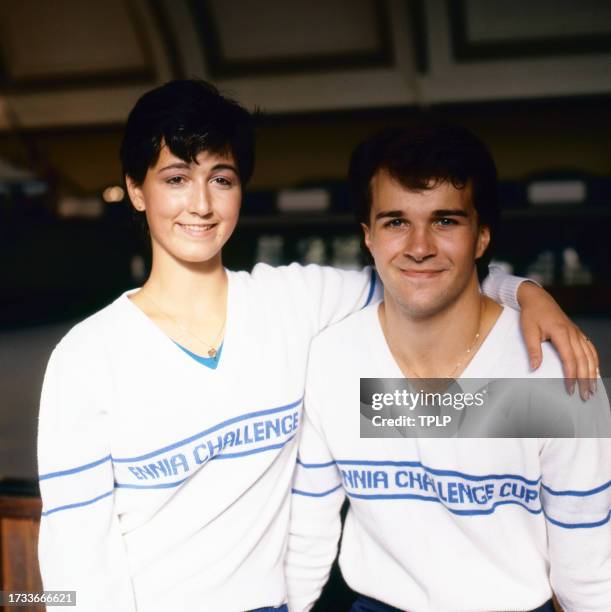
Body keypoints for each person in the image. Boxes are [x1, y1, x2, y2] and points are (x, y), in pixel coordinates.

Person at [37, 81, 597, 612]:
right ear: (136, 189)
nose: (201, 204)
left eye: (223, 179)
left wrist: (526, 294)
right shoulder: (85, 359)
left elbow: (424, 276)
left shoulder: (296, 302)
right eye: (176, 179)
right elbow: (73, 560)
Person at [285, 124, 611, 612]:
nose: (419, 246)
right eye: (396, 222)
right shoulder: (334, 360)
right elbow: (309, 533)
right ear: (368, 237)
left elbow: (587, 566)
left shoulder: (552, 373)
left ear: (481, 237)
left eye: (445, 221)